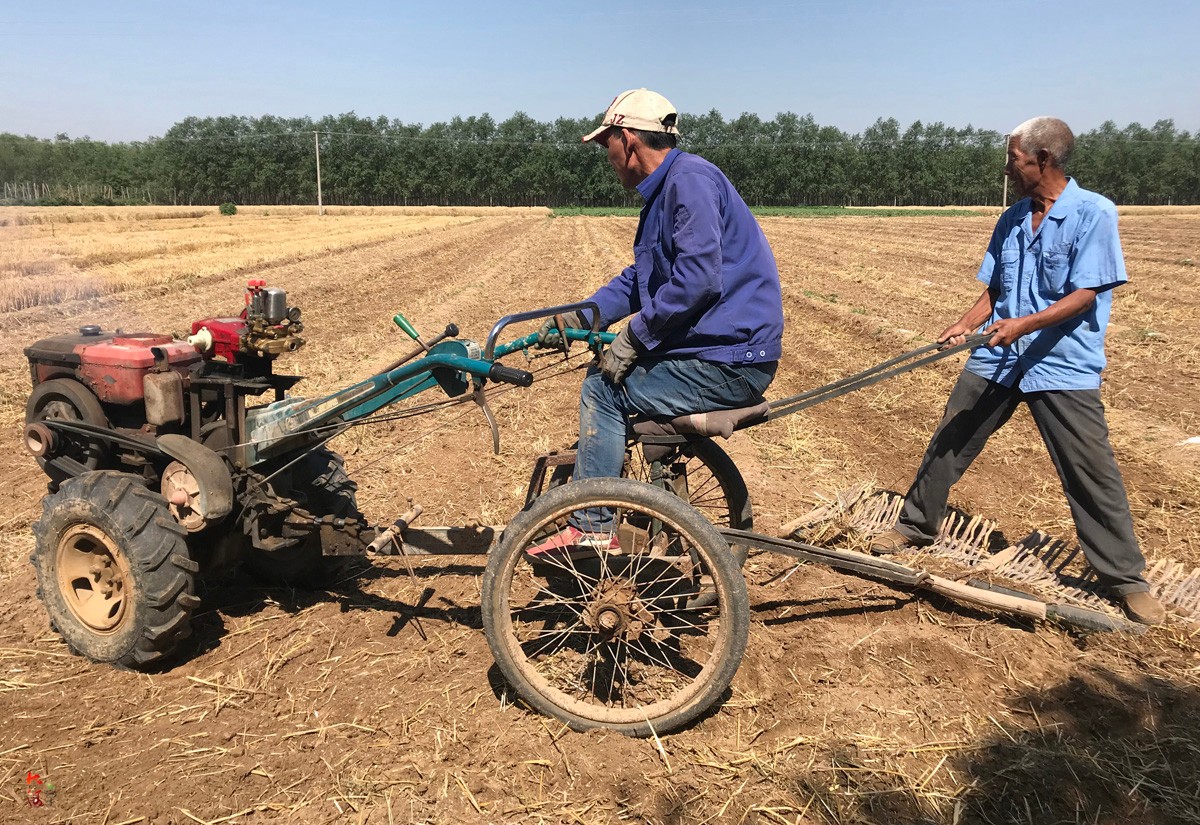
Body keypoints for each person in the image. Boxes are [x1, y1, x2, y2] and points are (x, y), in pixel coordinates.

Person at [869, 116, 1165, 625]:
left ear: (1043, 159)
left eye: (1013, 157)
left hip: (1062, 363)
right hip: (997, 356)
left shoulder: (1093, 213)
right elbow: (995, 290)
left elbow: (1086, 292)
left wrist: (1024, 324)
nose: (1006, 166)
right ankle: (915, 526)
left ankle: (1125, 579)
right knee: (948, 440)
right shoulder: (1011, 218)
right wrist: (963, 325)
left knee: (1089, 473)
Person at [535, 88, 784, 547]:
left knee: (603, 391)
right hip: (717, 351)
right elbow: (639, 280)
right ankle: (626, 503)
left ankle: (591, 526)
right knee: (607, 377)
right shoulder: (666, 191)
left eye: (605, 143)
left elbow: (696, 280)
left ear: (626, 137)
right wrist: (577, 317)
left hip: (732, 359)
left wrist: (633, 335)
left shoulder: (689, 181)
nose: (605, 156)